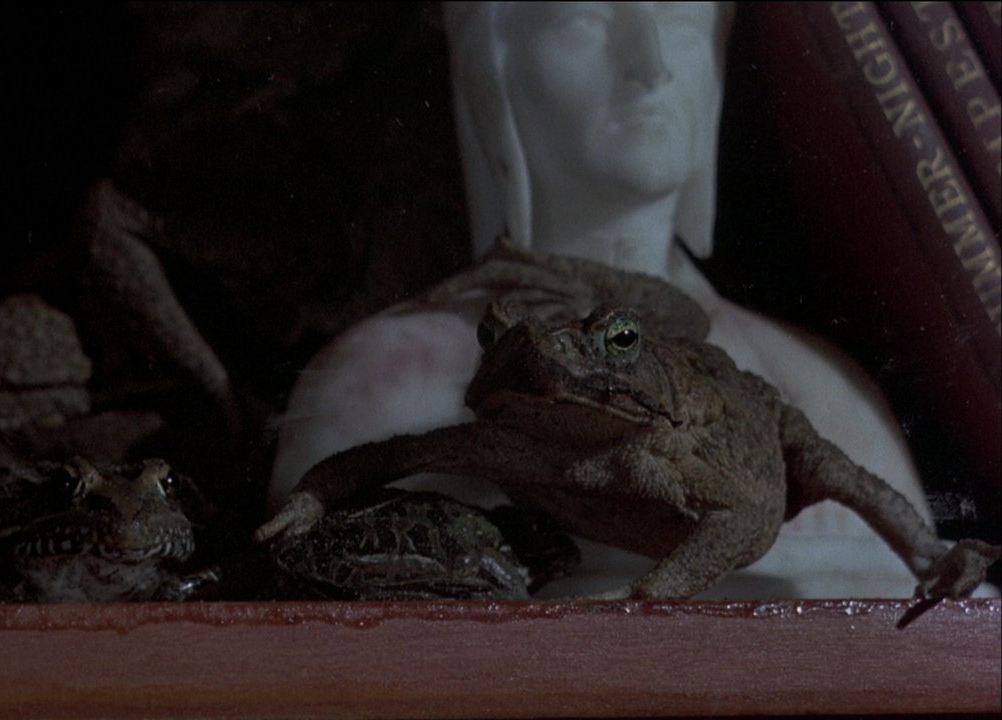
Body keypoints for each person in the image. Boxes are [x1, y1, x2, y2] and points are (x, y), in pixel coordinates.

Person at [269, 1, 944, 598]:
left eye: (682, 21)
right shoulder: (382, 378)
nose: (649, 66)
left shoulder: (825, 389)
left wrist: (651, 596)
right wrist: (313, 497)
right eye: (582, 20)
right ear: (490, 72)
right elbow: (375, 474)